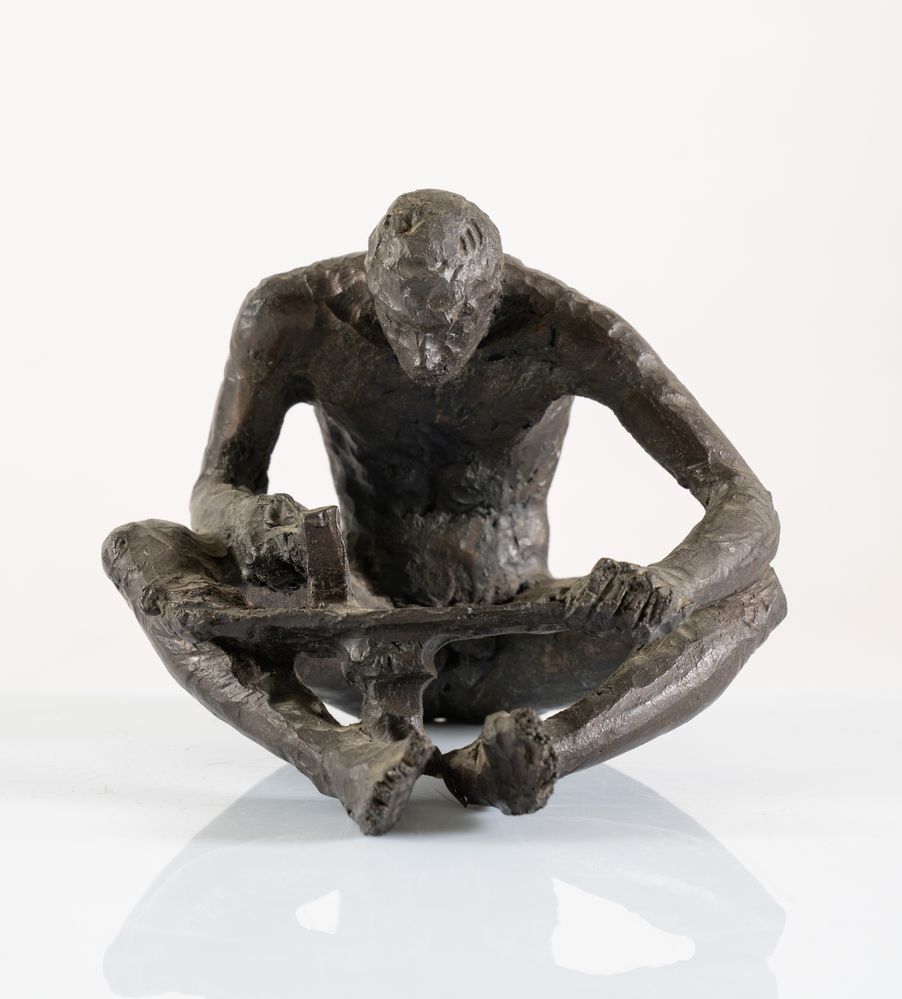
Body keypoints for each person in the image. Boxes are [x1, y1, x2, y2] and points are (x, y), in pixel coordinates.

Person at [104, 190, 785, 834]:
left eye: (456, 325)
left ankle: (538, 754)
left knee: (754, 594)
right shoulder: (292, 316)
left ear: (494, 290)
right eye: (405, 327)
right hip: (357, 635)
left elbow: (744, 500)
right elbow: (219, 485)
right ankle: (336, 755)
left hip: (515, 634)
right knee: (139, 548)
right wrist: (251, 522)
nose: (430, 356)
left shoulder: (573, 330)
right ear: (372, 288)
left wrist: (673, 581)